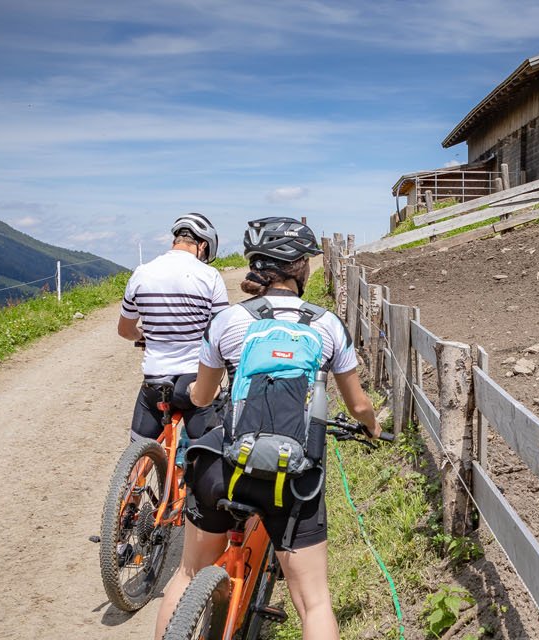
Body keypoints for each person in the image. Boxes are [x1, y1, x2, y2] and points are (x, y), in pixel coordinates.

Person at [153, 217, 379, 640]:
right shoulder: (326, 324)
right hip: (293, 479)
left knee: (186, 574)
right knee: (315, 602)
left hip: (224, 466)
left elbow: (201, 397)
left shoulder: (227, 321)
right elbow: (359, 404)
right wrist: (371, 426)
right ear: (297, 268)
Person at [117, 213, 227, 441]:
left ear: (174, 242)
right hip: (196, 382)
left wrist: (142, 335)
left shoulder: (141, 273)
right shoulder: (210, 276)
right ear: (203, 245)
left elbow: (125, 331)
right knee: (210, 452)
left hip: (155, 381)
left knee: (137, 454)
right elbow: (221, 331)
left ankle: (132, 474)